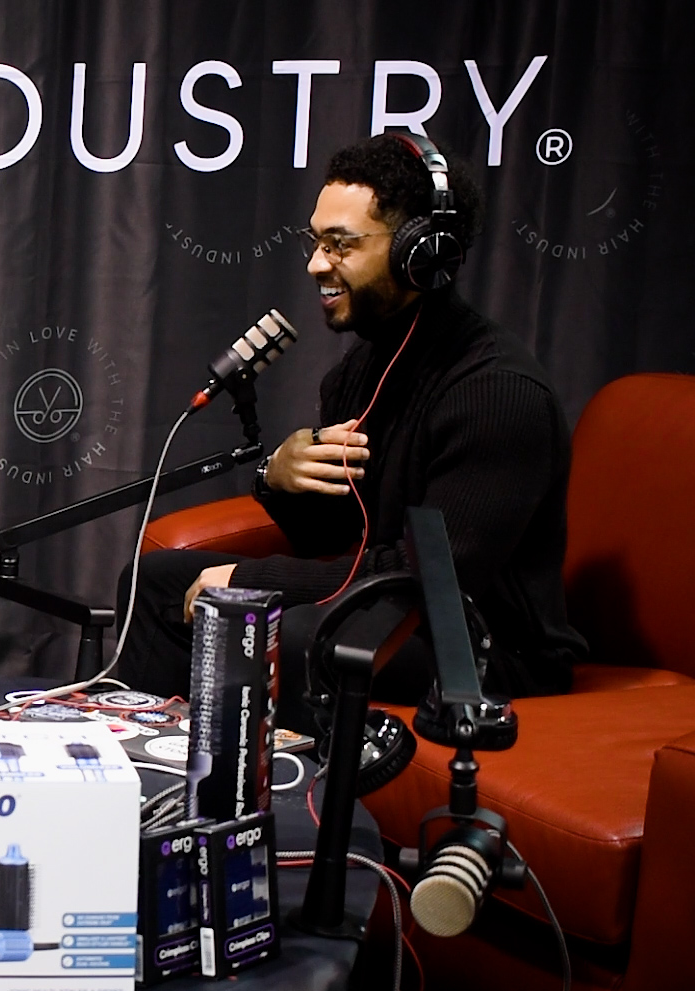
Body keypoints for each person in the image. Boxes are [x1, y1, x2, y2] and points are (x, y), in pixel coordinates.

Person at [111, 133, 585, 717]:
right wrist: (275, 478)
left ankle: (278, 774)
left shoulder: (499, 394)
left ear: (422, 251)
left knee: (306, 636)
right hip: (395, 614)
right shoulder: (358, 372)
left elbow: (427, 579)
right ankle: (156, 756)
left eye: (340, 245)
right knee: (155, 582)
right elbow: (332, 539)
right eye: (315, 242)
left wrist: (251, 579)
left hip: (486, 652)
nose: (316, 264)